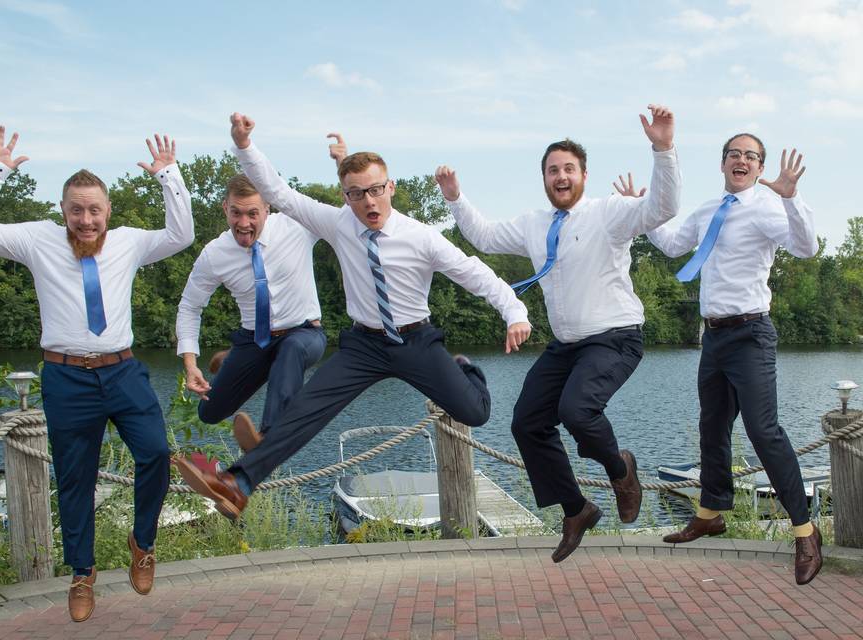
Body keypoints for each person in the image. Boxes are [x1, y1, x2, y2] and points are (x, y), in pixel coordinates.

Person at [172, 113, 532, 519]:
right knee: (306, 409)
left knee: (475, 413)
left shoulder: (421, 236)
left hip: (416, 340)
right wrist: (243, 146)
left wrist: (514, 311)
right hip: (364, 345)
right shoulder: (338, 223)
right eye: (357, 194)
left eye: (376, 190)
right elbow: (278, 191)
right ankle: (238, 483)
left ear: (390, 188)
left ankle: (466, 370)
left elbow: (475, 273)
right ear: (346, 197)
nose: (369, 202)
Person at [0, 126, 194, 621]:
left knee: (155, 453)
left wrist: (168, 176)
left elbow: (182, 235)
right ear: (63, 209)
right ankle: (82, 574)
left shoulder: (129, 243)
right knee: (74, 479)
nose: (86, 220)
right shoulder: (36, 240)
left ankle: (143, 542)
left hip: (123, 371)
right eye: (76, 210)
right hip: (67, 379)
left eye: (94, 210)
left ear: (108, 212)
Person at [433, 105, 681, 563]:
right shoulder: (533, 223)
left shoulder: (611, 213)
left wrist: (663, 149)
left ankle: (620, 468)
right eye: (552, 171)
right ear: (544, 179)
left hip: (615, 337)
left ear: (584, 174)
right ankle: (576, 508)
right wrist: (454, 199)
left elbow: (662, 207)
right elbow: (484, 237)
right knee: (527, 422)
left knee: (577, 410)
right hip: (566, 346)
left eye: (569, 169)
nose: (560, 176)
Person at [643, 134, 822, 585]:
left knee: (764, 430)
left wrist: (792, 197)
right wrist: (640, 210)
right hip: (715, 337)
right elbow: (668, 244)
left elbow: (807, 248)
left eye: (750, 156)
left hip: (751, 334)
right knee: (712, 427)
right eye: (734, 154)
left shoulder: (767, 207)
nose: (741, 160)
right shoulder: (707, 210)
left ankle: (805, 531)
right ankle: (710, 513)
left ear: (760, 168)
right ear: (722, 164)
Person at [175, 172, 326, 452]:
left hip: (304, 334)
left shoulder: (297, 225)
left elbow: (345, 218)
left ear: (268, 208)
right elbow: (189, 307)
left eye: (252, 214)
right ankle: (239, 361)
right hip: (254, 340)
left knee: (290, 349)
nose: (244, 224)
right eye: (236, 213)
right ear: (225, 208)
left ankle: (268, 438)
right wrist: (190, 363)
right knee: (209, 413)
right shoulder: (215, 254)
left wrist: (343, 163)